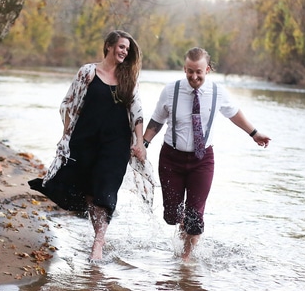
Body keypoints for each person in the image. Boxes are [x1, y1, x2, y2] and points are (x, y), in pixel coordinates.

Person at [29, 30, 150, 261]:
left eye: (127, 49)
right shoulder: (88, 72)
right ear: (108, 46)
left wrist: (139, 142)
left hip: (116, 145)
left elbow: (137, 112)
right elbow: (69, 104)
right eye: (121, 47)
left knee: (105, 191)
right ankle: (98, 236)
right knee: (89, 193)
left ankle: (98, 243)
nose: (124, 52)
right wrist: (66, 136)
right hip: (85, 140)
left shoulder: (129, 79)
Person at [141, 47, 271, 261]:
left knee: (195, 216)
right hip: (171, 159)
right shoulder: (171, 90)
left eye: (198, 72)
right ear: (184, 69)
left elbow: (234, 114)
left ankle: (185, 259)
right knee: (172, 215)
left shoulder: (217, 92)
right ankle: (184, 229)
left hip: (202, 161)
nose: (194, 76)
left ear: (207, 70)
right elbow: (157, 120)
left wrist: (254, 133)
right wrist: (143, 143)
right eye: (190, 71)